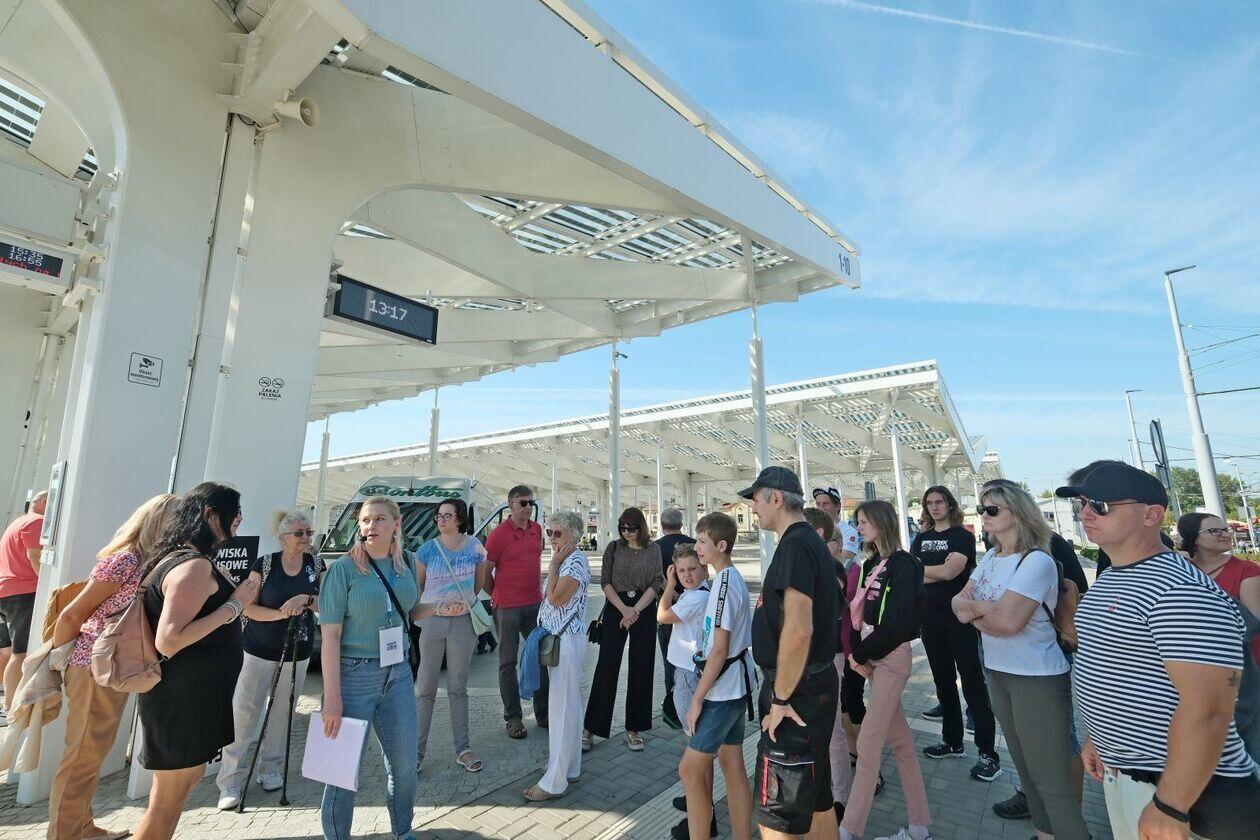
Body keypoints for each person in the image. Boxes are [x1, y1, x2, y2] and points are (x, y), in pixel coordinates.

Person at [1059, 461, 1260, 840]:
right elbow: (1118, 669)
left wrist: (1171, 805)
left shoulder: (1180, 591)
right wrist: (1101, 739)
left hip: (1189, 792)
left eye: (1100, 505)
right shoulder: (1114, 578)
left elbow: (1208, 708)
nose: (1085, 514)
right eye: (1081, 504)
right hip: (1131, 774)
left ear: (1151, 515)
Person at [952, 479, 1088, 840]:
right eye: (980, 509)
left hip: (1036, 676)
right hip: (998, 672)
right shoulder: (990, 559)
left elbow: (1008, 623)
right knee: (1027, 772)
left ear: (1018, 514)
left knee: (1052, 782)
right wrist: (988, 610)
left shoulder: (1037, 560)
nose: (983, 515)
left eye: (991, 509)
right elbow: (956, 603)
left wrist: (975, 612)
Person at [48, 492, 179, 840]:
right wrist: (58, 661)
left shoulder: (147, 562)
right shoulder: (126, 560)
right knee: (81, 756)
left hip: (111, 667)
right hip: (93, 665)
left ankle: (81, 827)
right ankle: (64, 834)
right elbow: (72, 614)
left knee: (92, 753)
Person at [135, 483, 260, 840]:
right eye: (234, 512)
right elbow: (170, 639)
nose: (239, 520)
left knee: (178, 790)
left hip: (192, 697)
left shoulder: (184, 559)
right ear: (210, 514)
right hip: (183, 699)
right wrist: (235, 605)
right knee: (166, 801)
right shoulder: (192, 566)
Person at [744, 466, 840, 840]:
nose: (753, 507)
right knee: (817, 800)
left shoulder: (796, 545)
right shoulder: (806, 542)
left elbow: (799, 630)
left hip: (796, 695)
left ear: (776, 499)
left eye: (756, 499)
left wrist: (781, 698)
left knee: (776, 814)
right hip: (812, 686)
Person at [318, 495, 420, 840]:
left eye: (379, 519)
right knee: (341, 772)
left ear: (396, 525)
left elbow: (408, 611)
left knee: (405, 767)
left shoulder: (407, 561)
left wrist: (439, 608)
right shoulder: (343, 569)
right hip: (353, 675)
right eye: (365, 520)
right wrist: (332, 698)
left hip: (398, 672)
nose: (370, 526)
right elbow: (330, 635)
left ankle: (403, 832)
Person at [216, 510, 321, 810]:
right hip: (258, 650)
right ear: (282, 537)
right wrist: (280, 614)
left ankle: (270, 768)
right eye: (299, 533)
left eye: (309, 533)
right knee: (244, 713)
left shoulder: (316, 564)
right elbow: (246, 607)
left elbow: (326, 601)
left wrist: (306, 601)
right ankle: (230, 781)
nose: (305, 538)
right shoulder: (264, 564)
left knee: (282, 713)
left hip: (297, 652)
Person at [840, 500, 931, 840]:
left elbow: (901, 624)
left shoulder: (905, 565)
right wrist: (858, 654)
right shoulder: (870, 563)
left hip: (891, 659)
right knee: (902, 744)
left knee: (867, 744)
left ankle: (849, 829)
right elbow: (859, 613)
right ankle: (919, 827)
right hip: (872, 659)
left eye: (864, 521)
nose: (859, 527)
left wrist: (860, 653)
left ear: (882, 522)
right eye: (858, 521)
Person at [910, 486, 999, 782]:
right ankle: (952, 742)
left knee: (972, 683)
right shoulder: (921, 538)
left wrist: (924, 569)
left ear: (949, 504)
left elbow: (951, 572)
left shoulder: (961, 536)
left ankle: (988, 753)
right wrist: (934, 569)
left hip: (960, 621)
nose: (934, 507)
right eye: (929, 503)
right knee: (943, 683)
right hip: (929, 620)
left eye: (939, 502)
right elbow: (913, 573)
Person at [677, 512, 755, 840]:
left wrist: (697, 700)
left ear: (721, 545)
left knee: (690, 769)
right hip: (734, 686)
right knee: (732, 764)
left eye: (702, 542)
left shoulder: (724, 583)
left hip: (722, 691)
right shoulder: (729, 579)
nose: (697, 548)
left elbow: (719, 649)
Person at [415, 498, 488, 773]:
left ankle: (463, 749)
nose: (441, 520)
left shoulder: (475, 547)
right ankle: (416, 753)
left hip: (463, 622)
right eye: (439, 515)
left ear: (460, 519)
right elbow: (419, 587)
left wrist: (463, 602)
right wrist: (438, 606)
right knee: (425, 688)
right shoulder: (426, 550)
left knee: (458, 686)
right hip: (432, 621)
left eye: (447, 515)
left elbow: (479, 583)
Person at [523, 509, 591, 802]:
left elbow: (555, 598)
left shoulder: (572, 562)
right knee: (569, 705)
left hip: (566, 641)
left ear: (572, 535)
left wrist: (552, 565)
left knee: (561, 708)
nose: (552, 537)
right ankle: (568, 767)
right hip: (564, 640)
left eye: (557, 533)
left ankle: (555, 780)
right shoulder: (569, 561)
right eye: (549, 532)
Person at [584, 507, 663, 751]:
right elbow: (605, 581)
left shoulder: (653, 549)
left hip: (644, 608)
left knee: (642, 667)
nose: (626, 532)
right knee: (606, 666)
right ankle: (591, 728)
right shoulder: (613, 548)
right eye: (622, 528)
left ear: (641, 527)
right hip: (616, 606)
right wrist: (624, 610)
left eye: (631, 528)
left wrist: (635, 611)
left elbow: (657, 582)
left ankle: (634, 728)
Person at [657, 542, 716, 837]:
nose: (687, 575)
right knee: (699, 748)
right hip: (691, 671)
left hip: (687, 673)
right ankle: (702, 805)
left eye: (692, 569)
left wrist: (669, 584)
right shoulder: (700, 594)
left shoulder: (695, 598)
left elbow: (662, 615)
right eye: (681, 571)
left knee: (695, 748)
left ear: (704, 568)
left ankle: (701, 814)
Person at [803, 508, 856, 818]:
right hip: (807, 656)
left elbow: (829, 610)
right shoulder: (803, 564)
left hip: (826, 656)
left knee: (832, 728)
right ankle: (819, 789)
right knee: (812, 728)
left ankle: (841, 798)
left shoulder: (831, 567)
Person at [485, 485, 547, 738]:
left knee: (540, 659)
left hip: (534, 606)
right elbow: (485, 571)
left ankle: (543, 714)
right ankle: (513, 718)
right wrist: (497, 594)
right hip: (507, 608)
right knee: (507, 662)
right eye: (523, 503)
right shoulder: (499, 534)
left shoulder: (537, 530)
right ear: (510, 505)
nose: (528, 507)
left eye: (531, 503)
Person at [1178, 511, 1260, 667]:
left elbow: (1253, 624)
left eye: (1224, 529)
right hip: (1199, 660)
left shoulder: (1246, 570)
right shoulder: (1183, 569)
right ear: (1193, 537)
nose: (1225, 534)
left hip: (1244, 662)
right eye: (1214, 531)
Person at [0, 490, 47, 713]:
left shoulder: (17, 522)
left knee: (7, 651)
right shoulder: (37, 521)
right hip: (23, 594)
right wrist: (47, 586)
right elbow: (34, 556)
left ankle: (4, 702)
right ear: (44, 502)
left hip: (6, 592)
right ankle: (10, 709)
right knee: (20, 654)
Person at [656, 507, 697, 729]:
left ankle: (672, 706)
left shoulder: (655, 547)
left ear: (662, 525)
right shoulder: (694, 544)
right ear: (681, 524)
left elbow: (655, 578)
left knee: (670, 659)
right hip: (694, 608)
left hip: (668, 608)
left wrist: (673, 594)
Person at [813, 487, 860, 564]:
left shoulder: (848, 531)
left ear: (838, 506)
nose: (820, 508)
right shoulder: (814, 530)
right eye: (818, 504)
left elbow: (845, 559)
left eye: (825, 504)